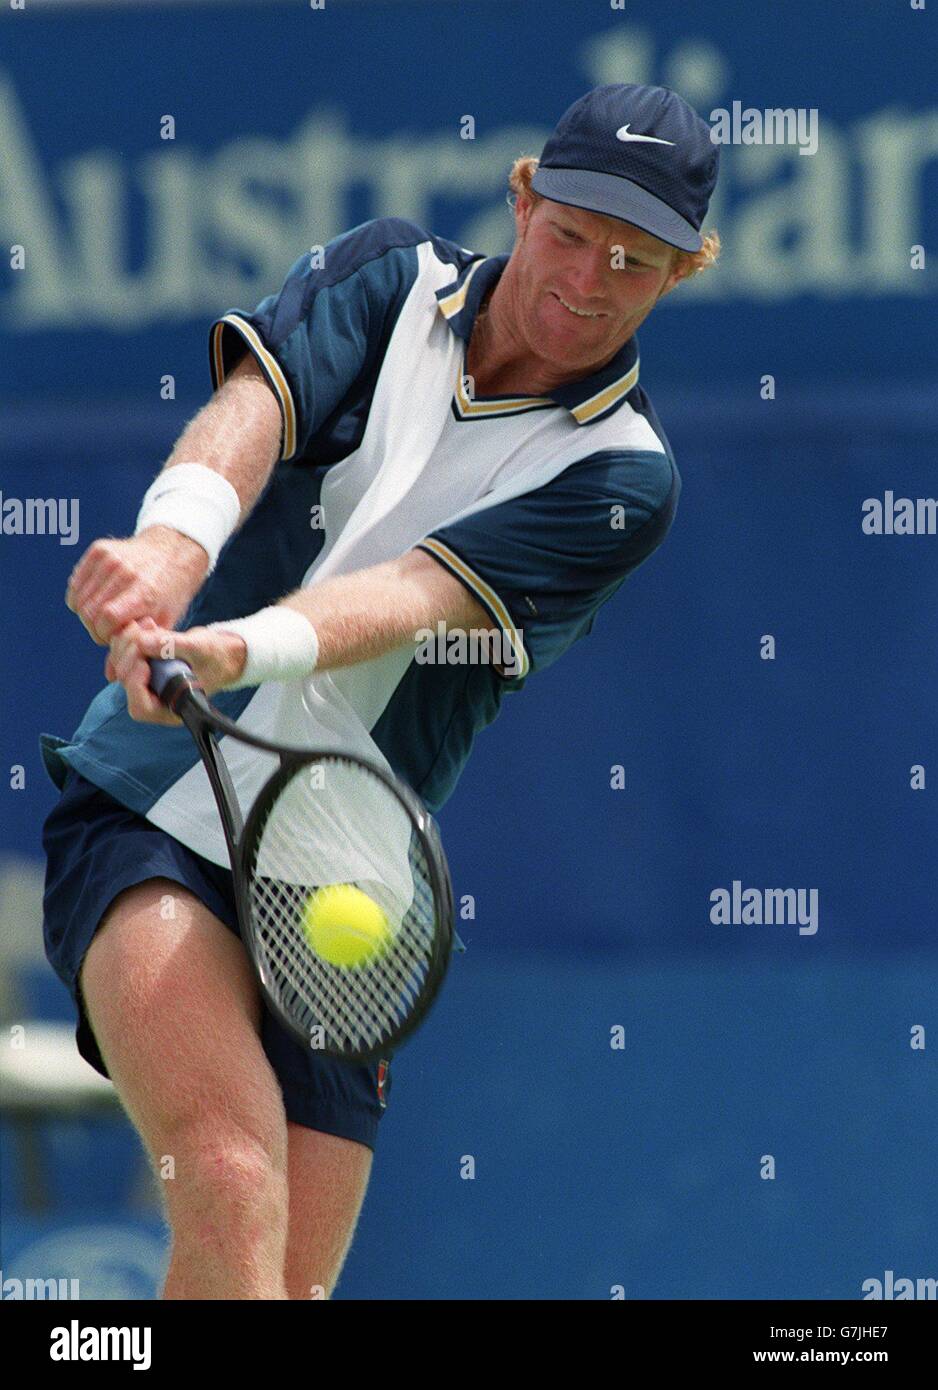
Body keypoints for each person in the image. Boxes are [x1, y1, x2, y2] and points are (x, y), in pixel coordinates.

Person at [40, 83, 720, 1300]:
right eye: (568, 232)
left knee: (289, 1291)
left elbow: (412, 594)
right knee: (229, 1179)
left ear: (682, 271)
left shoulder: (623, 479)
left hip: (344, 873)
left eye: (634, 259)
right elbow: (253, 409)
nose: (585, 277)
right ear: (522, 197)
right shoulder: (388, 274)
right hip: (156, 800)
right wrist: (167, 555)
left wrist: (230, 648)